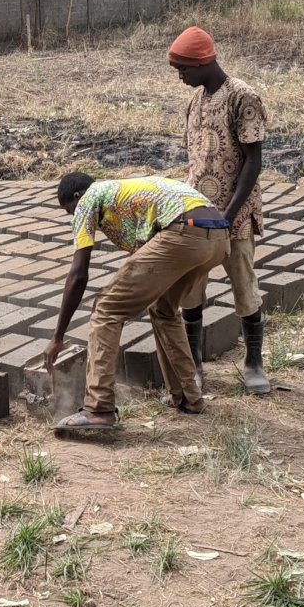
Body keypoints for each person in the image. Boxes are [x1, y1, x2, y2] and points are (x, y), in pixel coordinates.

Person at [43, 173, 230, 428]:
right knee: (164, 309)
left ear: (77, 196)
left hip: (183, 231)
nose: (73, 218)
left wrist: (57, 337)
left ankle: (98, 408)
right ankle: (188, 397)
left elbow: (78, 275)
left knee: (106, 308)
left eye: (70, 211)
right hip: (218, 236)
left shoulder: (88, 199)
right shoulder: (121, 192)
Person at [168, 25, 271, 395]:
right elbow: (197, 162)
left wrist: (229, 215)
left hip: (237, 216)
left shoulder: (242, 97)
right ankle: (195, 365)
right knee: (191, 290)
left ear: (202, 62)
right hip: (200, 216)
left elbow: (253, 162)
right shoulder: (195, 101)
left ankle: (254, 363)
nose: (181, 77)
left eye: (183, 69)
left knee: (244, 286)